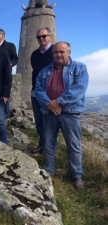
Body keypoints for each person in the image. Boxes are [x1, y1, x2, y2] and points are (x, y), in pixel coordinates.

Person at [35, 41, 89, 189]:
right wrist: (49, 104)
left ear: (69, 53)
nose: (58, 55)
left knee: (73, 145)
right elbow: (38, 90)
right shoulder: (45, 71)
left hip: (70, 113)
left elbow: (79, 89)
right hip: (49, 112)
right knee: (48, 143)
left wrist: (58, 101)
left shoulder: (80, 68)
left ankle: (77, 175)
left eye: (61, 52)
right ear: (52, 54)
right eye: (55, 52)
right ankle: (49, 171)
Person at [29, 27, 54, 154]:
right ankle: (42, 145)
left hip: (50, 95)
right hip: (35, 93)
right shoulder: (34, 54)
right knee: (39, 123)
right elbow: (35, 71)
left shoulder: (56, 52)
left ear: (50, 36)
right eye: (39, 37)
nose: (41, 39)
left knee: (49, 123)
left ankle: (49, 150)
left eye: (44, 36)